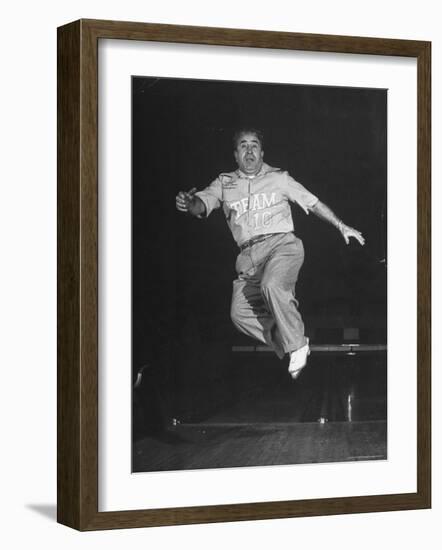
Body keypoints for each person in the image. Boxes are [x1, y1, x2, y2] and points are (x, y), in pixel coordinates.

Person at [175, 128, 365, 379]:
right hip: (247, 258)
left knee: (272, 285)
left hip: (282, 247)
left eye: (254, 145)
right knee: (239, 313)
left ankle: (297, 344)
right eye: (243, 146)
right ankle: (285, 338)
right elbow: (202, 204)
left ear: (262, 153)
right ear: (236, 155)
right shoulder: (224, 183)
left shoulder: (280, 178)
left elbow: (313, 202)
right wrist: (189, 204)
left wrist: (341, 225)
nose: (250, 150)